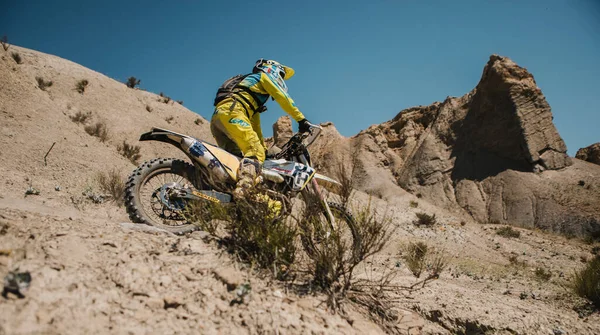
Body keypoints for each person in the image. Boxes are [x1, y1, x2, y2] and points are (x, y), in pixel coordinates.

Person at [210, 59, 313, 198]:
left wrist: (264, 149)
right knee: (254, 151)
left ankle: (223, 194)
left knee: (236, 160)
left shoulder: (249, 94)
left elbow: (254, 125)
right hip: (232, 113)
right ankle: (243, 191)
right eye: (281, 75)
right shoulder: (264, 77)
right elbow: (282, 97)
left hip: (219, 118)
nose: (281, 79)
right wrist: (301, 119)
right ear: (272, 69)